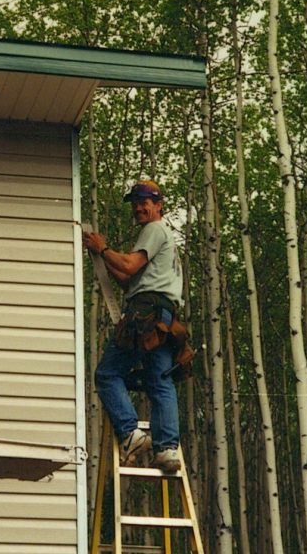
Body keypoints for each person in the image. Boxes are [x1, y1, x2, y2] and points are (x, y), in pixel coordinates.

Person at [83, 179, 184, 472]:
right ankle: (166, 449)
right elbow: (128, 280)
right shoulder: (167, 238)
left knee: (107, 374)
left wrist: (104, 249)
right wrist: (104, 259)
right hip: (164, 317)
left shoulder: (153, 230)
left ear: (158, 205)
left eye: (145, 202)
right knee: (160, 381)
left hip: (145, 313)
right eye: (136, 203)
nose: (139, 208)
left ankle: (131, 434)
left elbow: (128, 265)